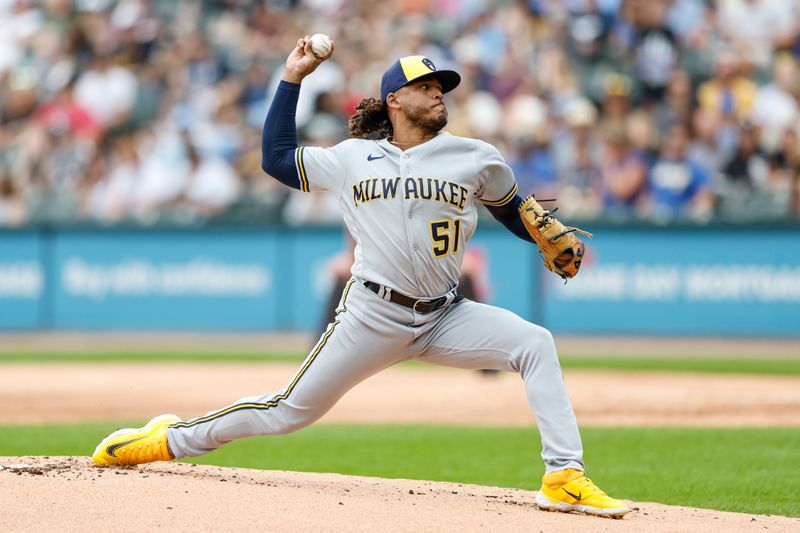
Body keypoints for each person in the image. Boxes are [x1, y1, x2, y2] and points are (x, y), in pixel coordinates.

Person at [91, 36, 630, 519]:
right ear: (395, 99)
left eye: (442, 85)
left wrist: (543, 236)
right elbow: (277, 159)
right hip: (372, 313)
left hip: (446, 314)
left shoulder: (476, 157)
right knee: (286, 413)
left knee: (534, 343)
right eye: (425, 86)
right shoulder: (352, 158)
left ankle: (563, 476)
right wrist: (292, 77)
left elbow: (513, 209)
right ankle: (169, 439)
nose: (439, 93)